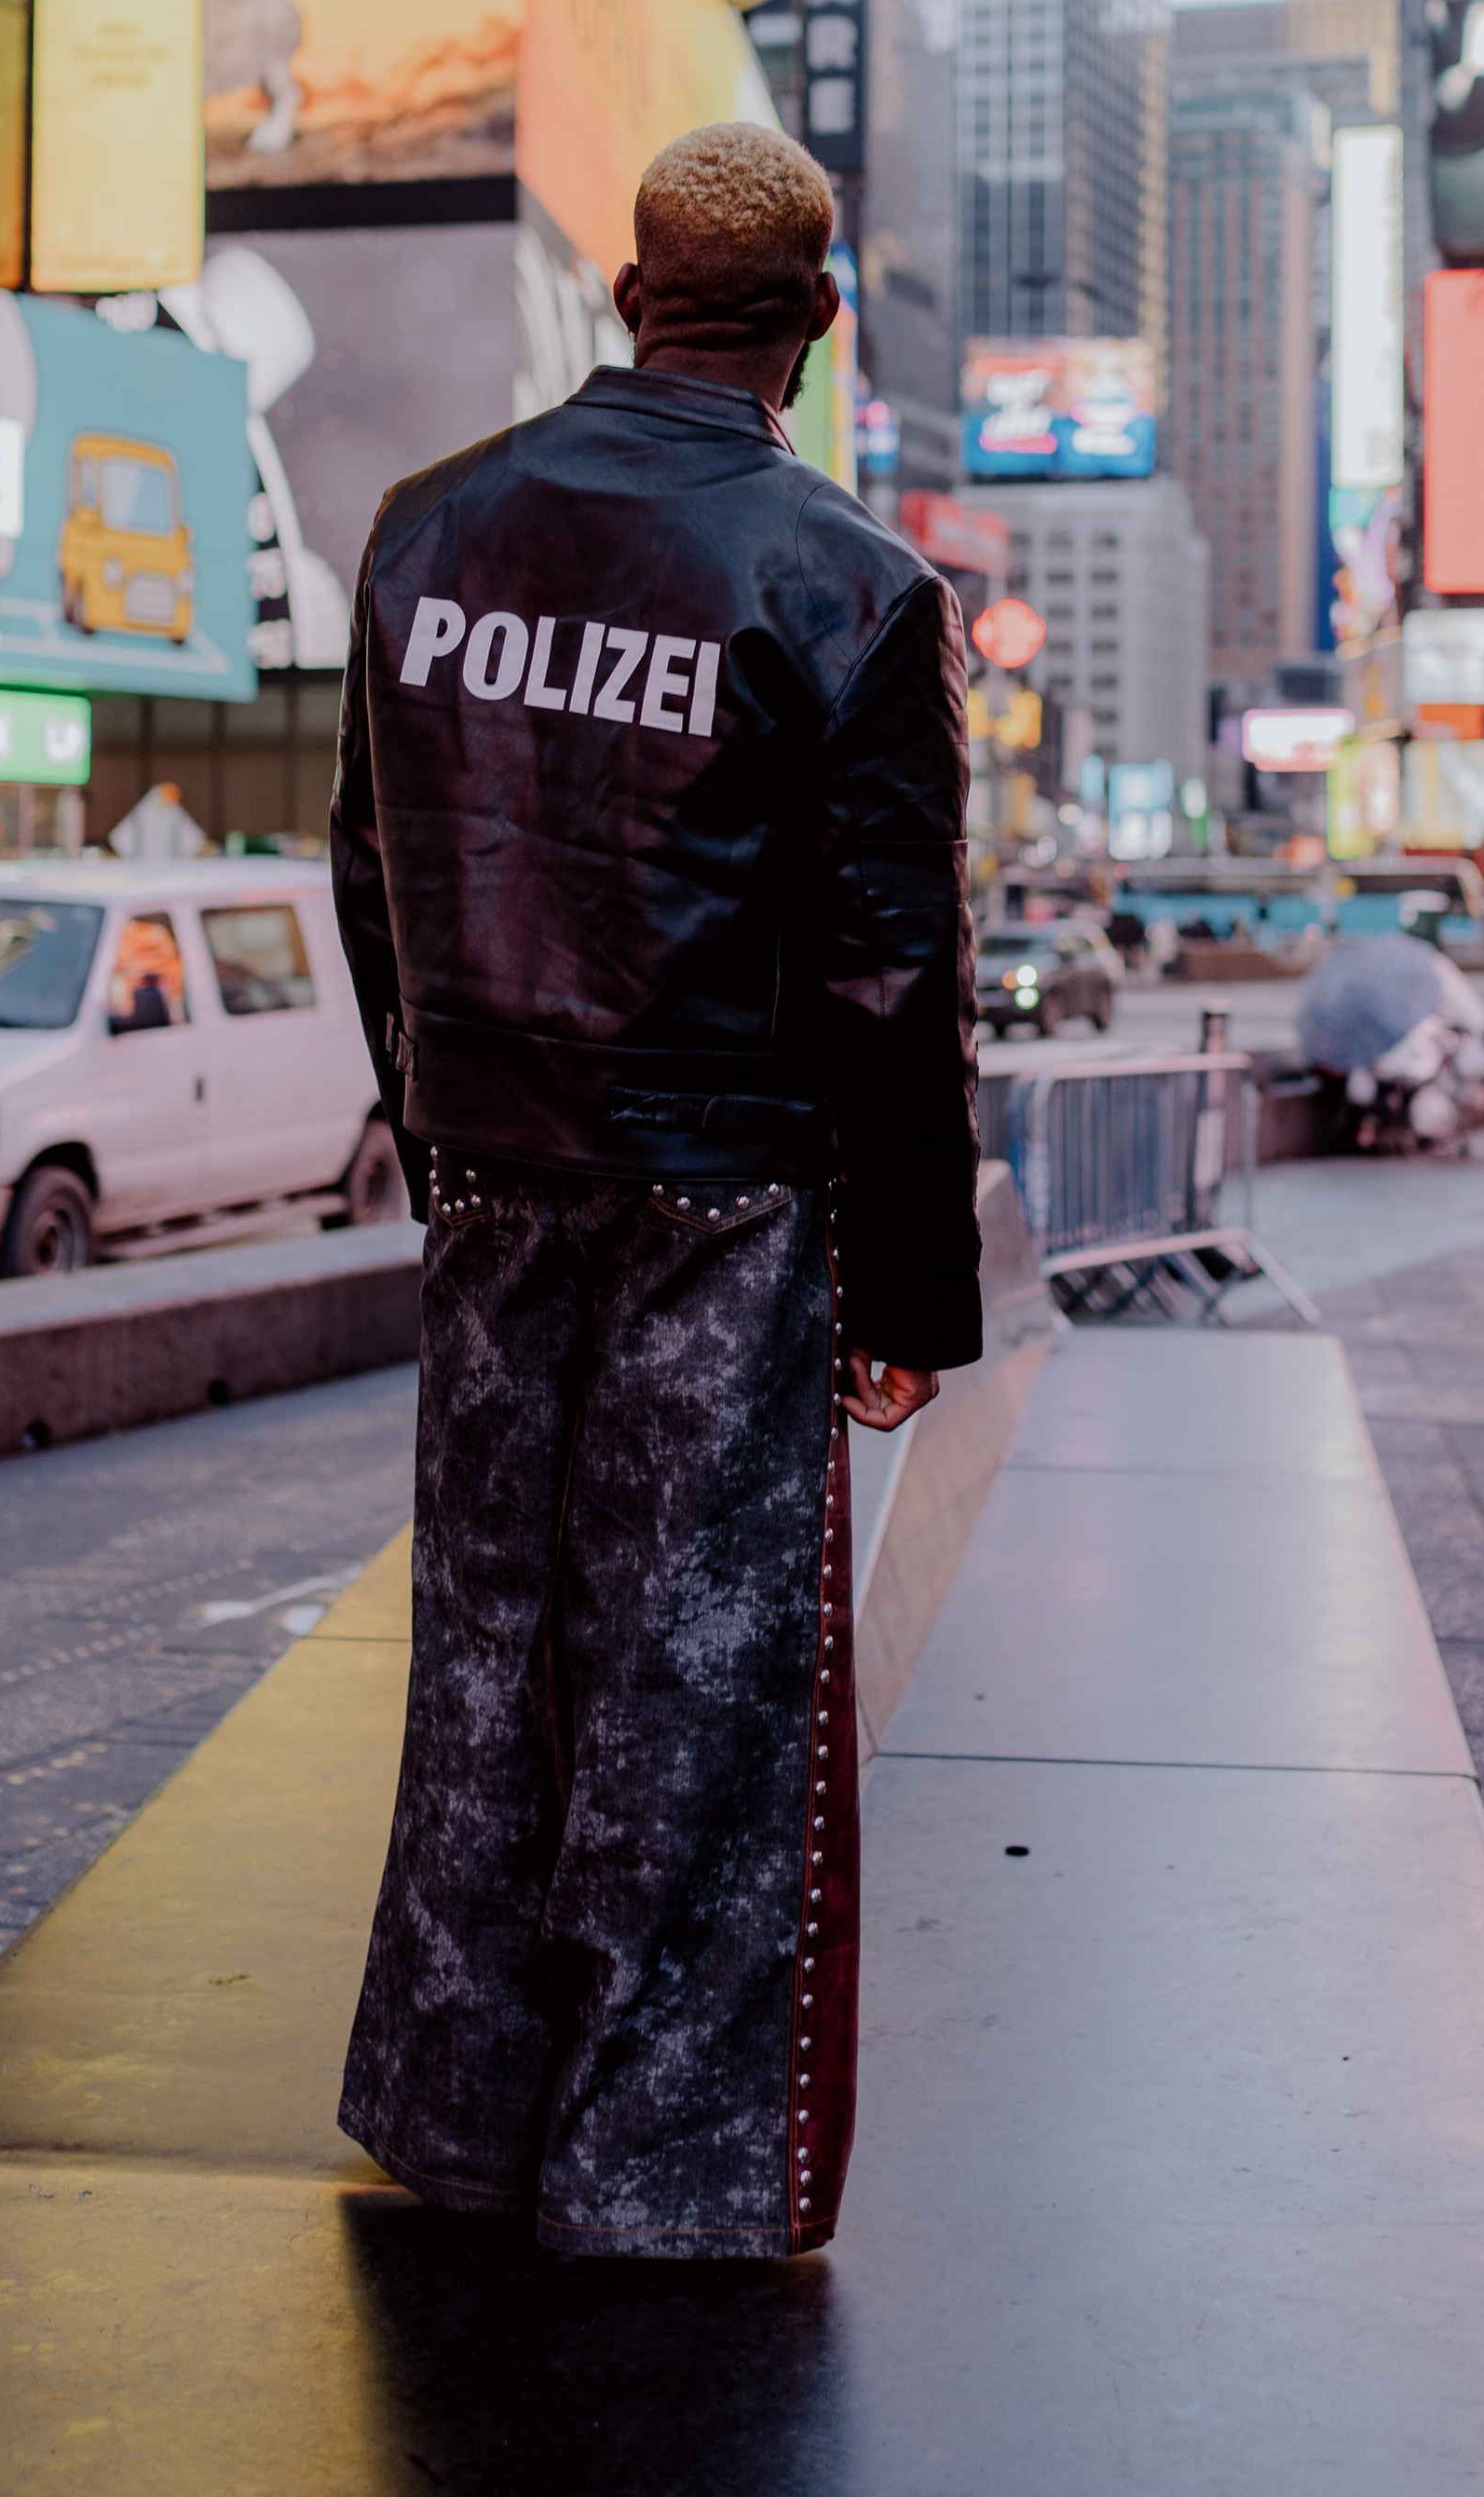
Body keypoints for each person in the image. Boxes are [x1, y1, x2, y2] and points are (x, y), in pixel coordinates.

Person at [330, 122, 980, 2261]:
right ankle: (653, 2169)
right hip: (725, 1200)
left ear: (629, 291)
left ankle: (452, 2112)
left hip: (496, 1175)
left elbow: (369, 875)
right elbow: (888, 982)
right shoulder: (852, 587)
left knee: (486, 1650)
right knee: (692, 1699)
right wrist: (907, 1294)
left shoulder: (429, 533)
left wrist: (438, 1131)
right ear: (812, 317)